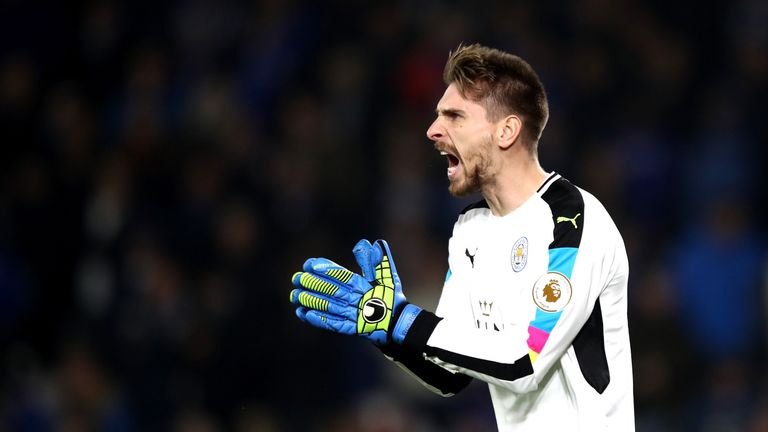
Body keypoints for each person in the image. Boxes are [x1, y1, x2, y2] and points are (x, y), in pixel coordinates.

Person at [289, 43, 633, 431]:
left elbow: (524, 361)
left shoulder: (571, 219)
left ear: (506, 131)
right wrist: (385, 331)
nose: (433, 130)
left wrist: (402, 319)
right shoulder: (470, 230)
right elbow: (450, 374)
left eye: (454, 116)